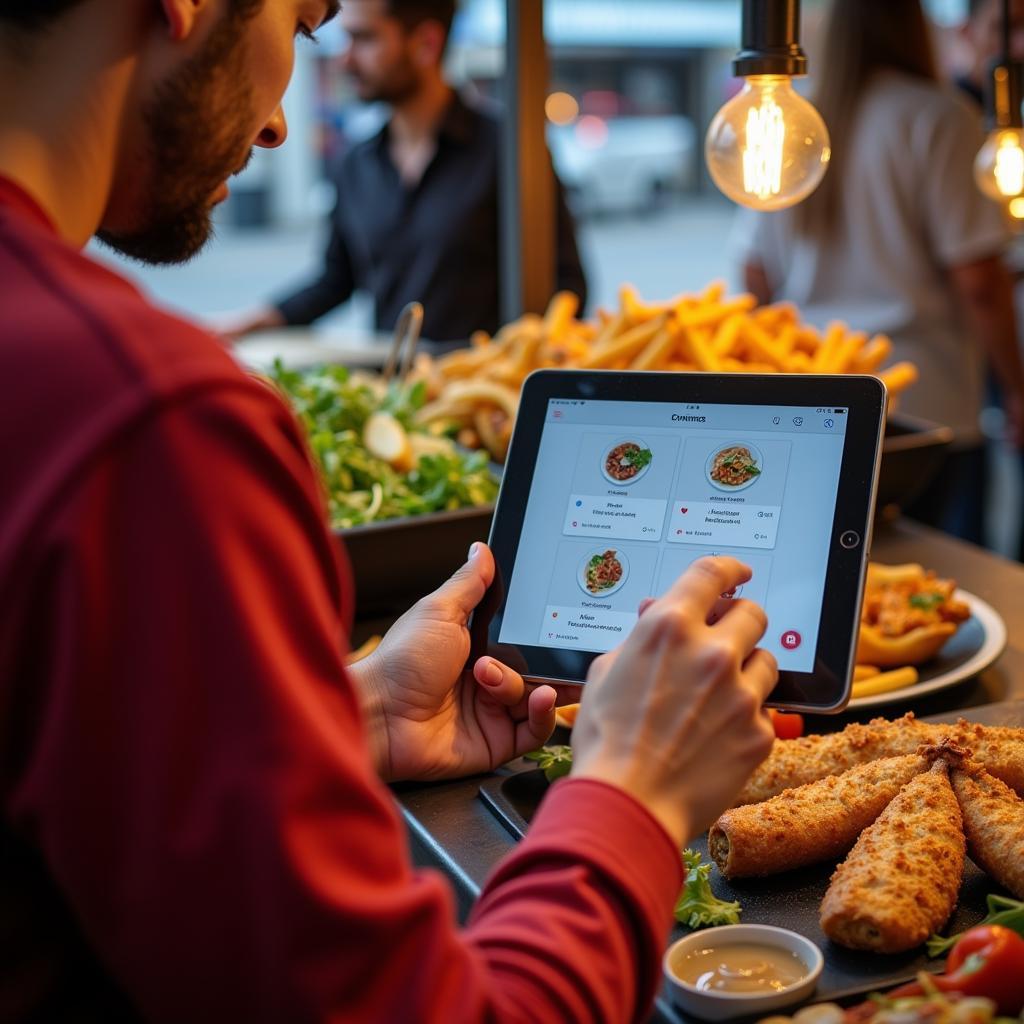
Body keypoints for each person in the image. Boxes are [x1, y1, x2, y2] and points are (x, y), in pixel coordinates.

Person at [0, 2, 778, 1021]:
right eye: (307, 21)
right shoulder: (153, 418)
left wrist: (338, 718)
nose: (280, 122)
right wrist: (634, 784)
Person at [735, 0, 1024, 544]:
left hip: (815, 400)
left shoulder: (788, 125)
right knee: (941, 579)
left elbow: (753, 271)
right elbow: (981, 283)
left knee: (835, 572)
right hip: (926, 409)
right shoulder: (937, 116)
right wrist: (1018, 386)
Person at [219, 0, 588, 346]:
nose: (344, 60)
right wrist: (244, 325)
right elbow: (335, 280)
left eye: (364, 39)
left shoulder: (510, 151)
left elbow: (568, 287)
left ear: (425, 44)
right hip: (396, 397)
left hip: (481, 400)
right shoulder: (356, 162)